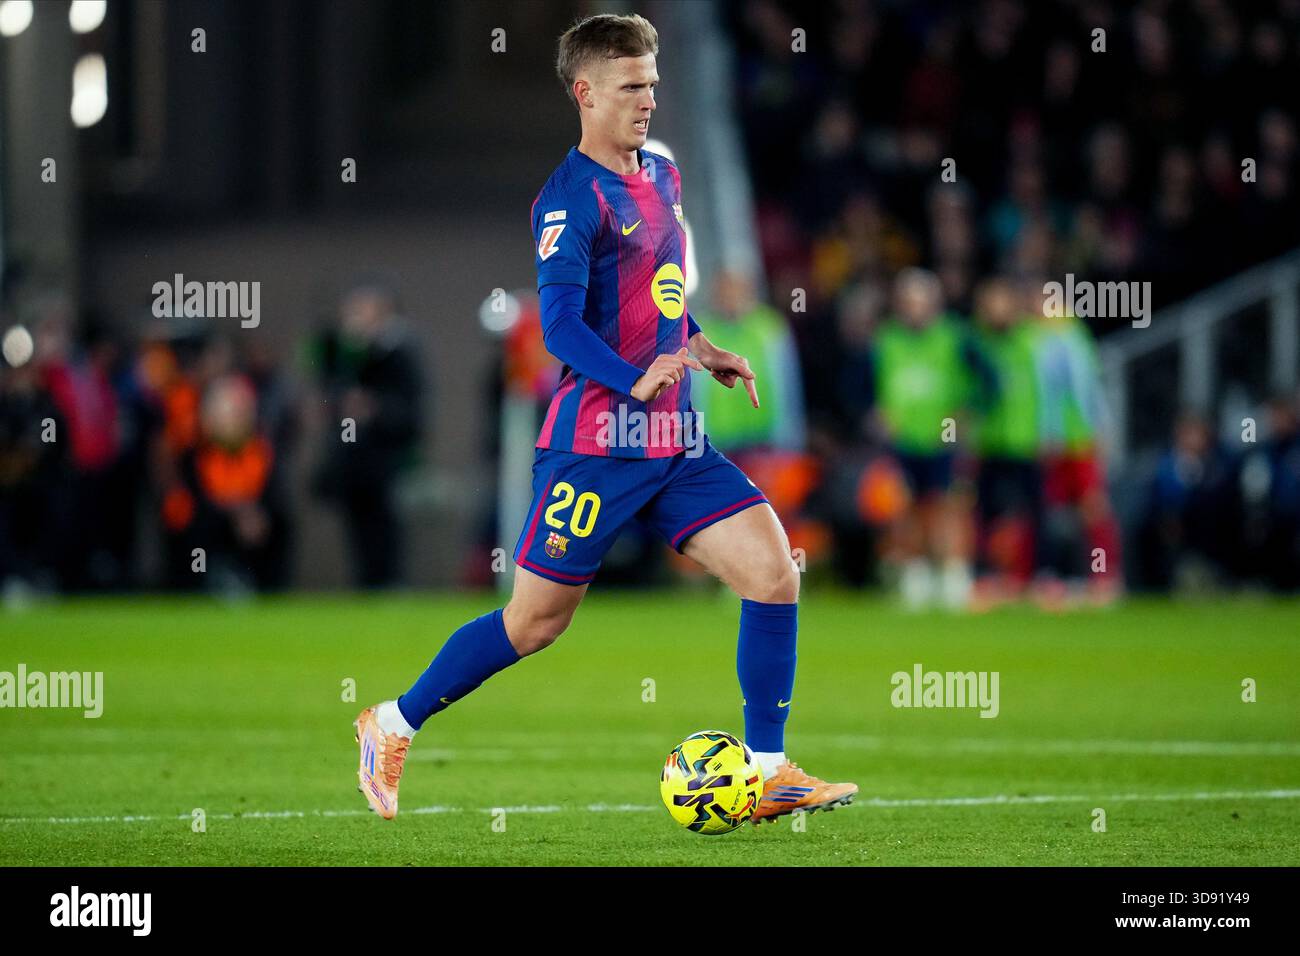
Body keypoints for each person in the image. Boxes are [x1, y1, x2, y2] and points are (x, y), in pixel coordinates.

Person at [354, 13, 856, 823]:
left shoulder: (663, 176)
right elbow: (559, 328)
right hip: (596, 446)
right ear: (585, 95)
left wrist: (701, 348)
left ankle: (766, 771)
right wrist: (636, 380)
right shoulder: (566, 202)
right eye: (631, 86)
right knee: (533, 623)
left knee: (774, 574)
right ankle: (390, 722)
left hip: (673, 439)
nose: (649, 99)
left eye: (653, 83)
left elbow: (658, 304)